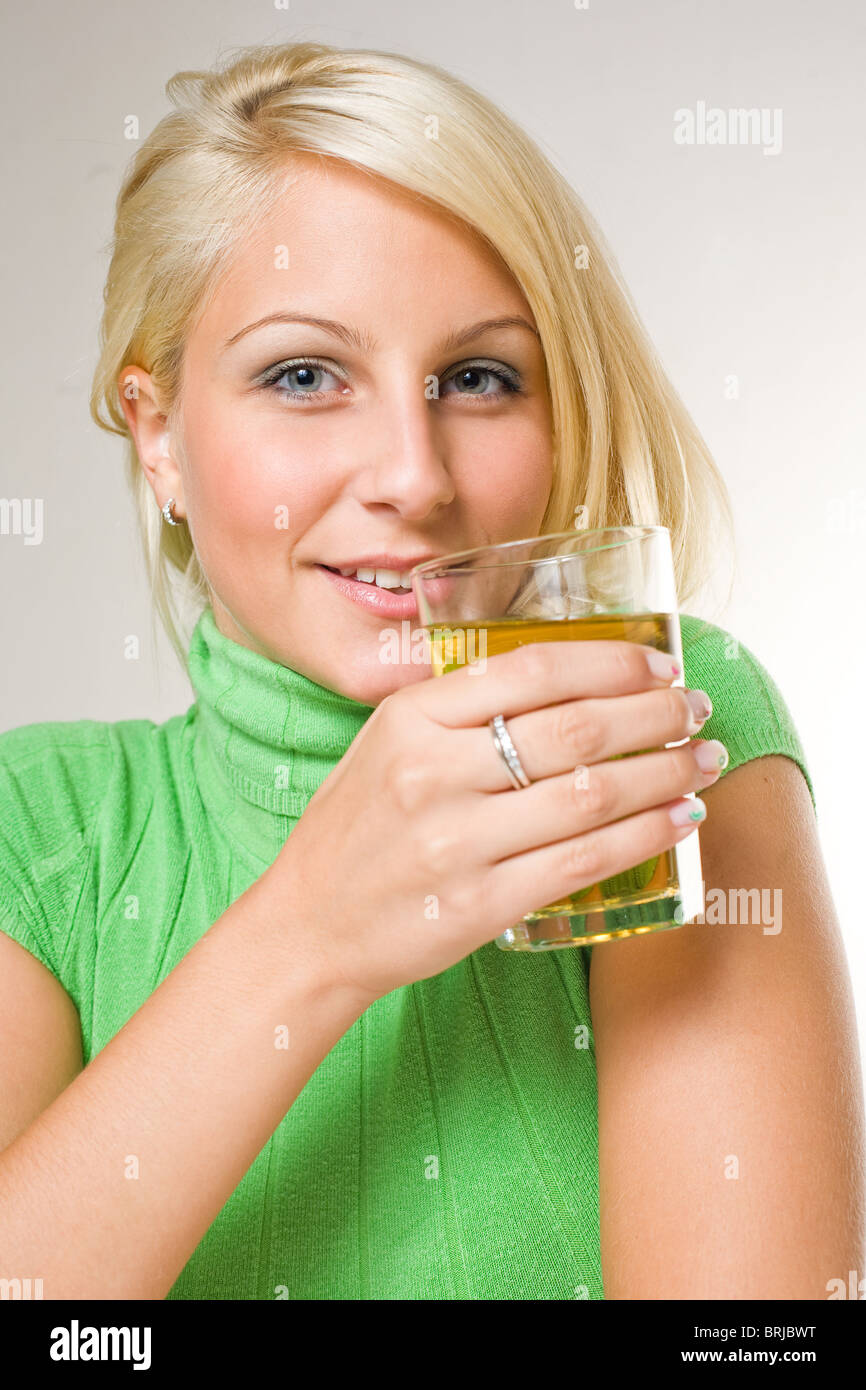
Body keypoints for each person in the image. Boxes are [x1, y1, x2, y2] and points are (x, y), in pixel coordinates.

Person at [0, 39, 861, 1301]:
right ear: (159, 432)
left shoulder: (644, 722)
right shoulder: (43, 831)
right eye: (303, 375)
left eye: (476, 377)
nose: (413, 473)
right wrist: (315, 929)